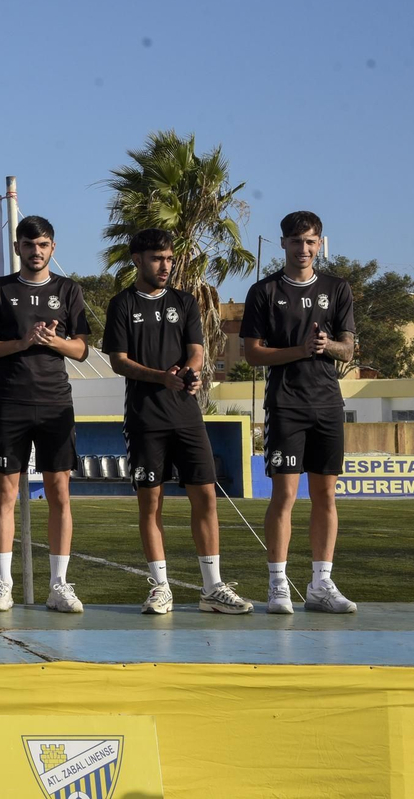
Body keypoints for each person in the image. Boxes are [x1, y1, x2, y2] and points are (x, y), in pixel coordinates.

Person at [103, 228, 252, 616]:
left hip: (187, 417)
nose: (165, 265)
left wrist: (192, 371)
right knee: (151, 504)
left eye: (169, 258)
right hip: (144, 419)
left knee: (205, 497)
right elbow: (118, 361)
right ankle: (161, 587)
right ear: (137, 259)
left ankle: (212, 588)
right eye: (157, 258)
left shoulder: (184, 302)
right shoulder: (122, 304)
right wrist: (161, 377)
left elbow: (197, 351)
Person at [0, 214, 90, 613]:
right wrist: (20, 343)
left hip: (55, 403)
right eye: (28, 244)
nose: (35, 251)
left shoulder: (69, 289)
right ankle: (3, 584)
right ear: (17, 247)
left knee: (59, 493)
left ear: (52, 247)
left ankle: (59, 585)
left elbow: (82, 350)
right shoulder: (0, 290)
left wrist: (55, 341)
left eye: (42, 245)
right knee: (5, 494)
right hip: (10, 401)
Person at [242, 210, 358, 614]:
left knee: (326, 495)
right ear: (284, 244)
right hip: (285, 404)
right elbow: (252, 353)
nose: (303, 248)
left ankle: (321, 584)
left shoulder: (337, 288)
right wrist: (299, 351)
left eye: (310, 241)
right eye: (296, 241)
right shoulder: (264, 291)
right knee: (285, 495)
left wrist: (327, 346)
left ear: (320, 244)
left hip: (327, 404)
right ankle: (278, 584)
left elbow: (348, 348)